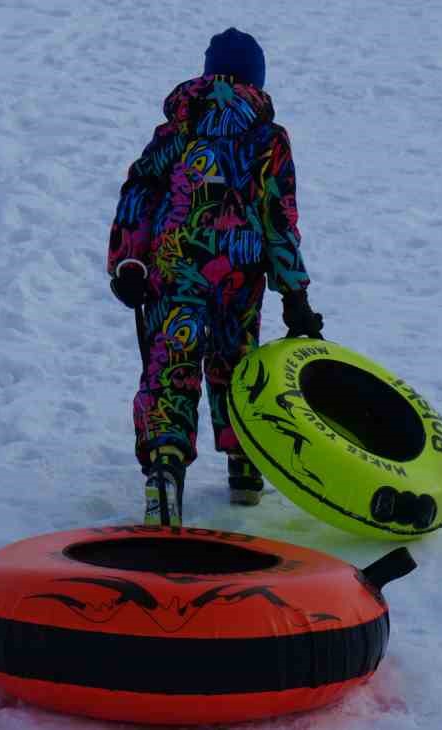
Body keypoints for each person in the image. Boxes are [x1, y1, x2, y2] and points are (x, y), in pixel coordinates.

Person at [108, 28, 324, 527]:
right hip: (238, 275)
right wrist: (294, 292)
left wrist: (128, 261)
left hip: (174, 268)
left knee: (171, 361)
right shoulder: (269, 139)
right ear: (257, 79)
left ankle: (164, 468)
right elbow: (279, 217)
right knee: (236, 364)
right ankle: (244, 464)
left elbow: (138, 191)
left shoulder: (176, 131)